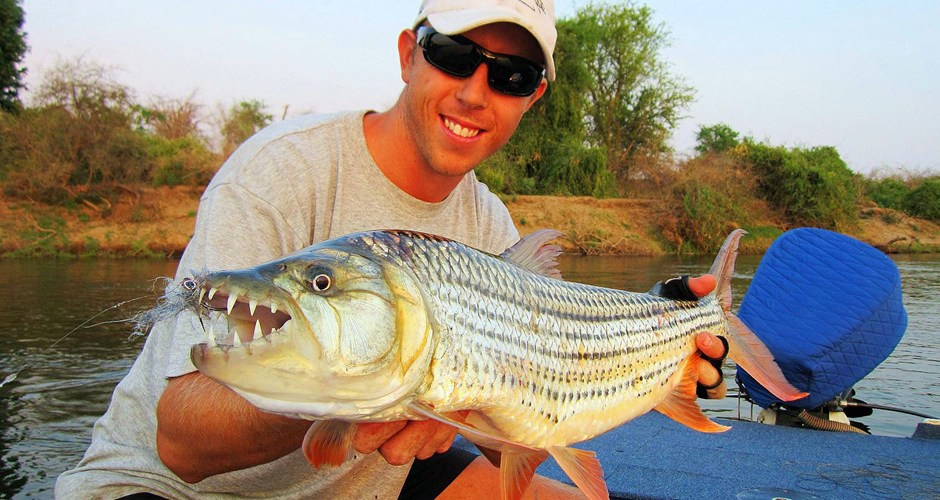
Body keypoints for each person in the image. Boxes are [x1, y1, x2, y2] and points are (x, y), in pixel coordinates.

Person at [55, 1, 728, 498]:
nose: (474, 91)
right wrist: (356, 393)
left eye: (512, 76)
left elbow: (508, 446)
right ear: (409, 53)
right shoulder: (279, 172)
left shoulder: (490, 225)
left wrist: (658, 338)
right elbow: (180, 442)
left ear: (534, 97)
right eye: (455, 57)